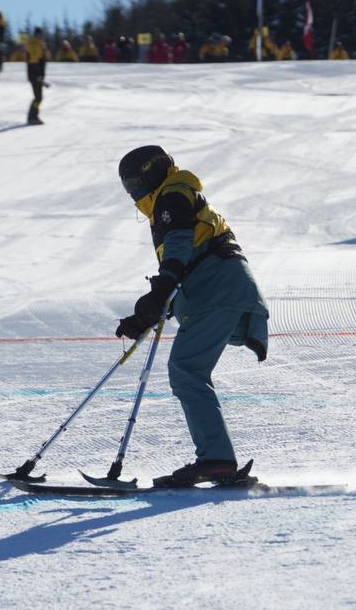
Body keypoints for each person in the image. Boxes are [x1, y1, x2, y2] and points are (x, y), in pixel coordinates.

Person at [114, 145, 269, 487]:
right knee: (189, 370)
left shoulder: (172, 196)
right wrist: (151, 310)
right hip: (215, 292)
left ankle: (216, 460)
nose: (133, 192)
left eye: (136, 183)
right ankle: (216, 459)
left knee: (187, 370)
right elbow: (186, 260)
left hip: (218, 292)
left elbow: (181, 248)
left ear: (154, 172)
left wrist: (161, 290)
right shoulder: (171, 199)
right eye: (127, 186)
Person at [22, 26, 48, 125]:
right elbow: (34, 59)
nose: (42, 36)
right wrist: (38, 74)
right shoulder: (36, 44)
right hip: (35, 72)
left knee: (38, 97)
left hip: (35, 73)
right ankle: (32, 116)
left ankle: (33, 116)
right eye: (40, 34)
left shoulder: (36, 43)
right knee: (38, 97)